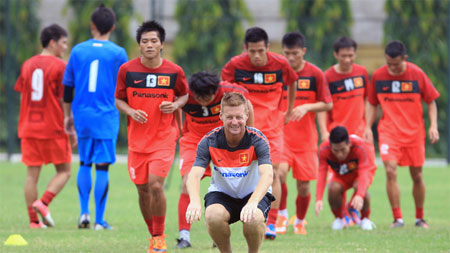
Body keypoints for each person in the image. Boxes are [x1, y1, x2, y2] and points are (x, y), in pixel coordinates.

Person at [115, 20, 188, 252]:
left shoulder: (174, 71)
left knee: (156, 186)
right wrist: (130, 111)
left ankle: (159, 237)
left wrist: (175, 103)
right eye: (144, 41)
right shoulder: (127, 70)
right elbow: (118, 99)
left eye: (153, 41)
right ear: (139, 45)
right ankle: (153, 233)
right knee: (142, 189)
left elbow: (185, 96)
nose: (149, 44)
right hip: (137, 141)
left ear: (162, 44)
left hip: (164, 137)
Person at [221, 27, 298, 240]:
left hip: (272, 129)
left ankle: (271, 223)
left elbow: (292, 82)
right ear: (245, 48)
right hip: (243, 129)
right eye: (252, 51)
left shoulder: (281, 64)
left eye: (260, 50)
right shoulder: (235, 66)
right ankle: (234, 215)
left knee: (276, 173)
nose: (256, 55)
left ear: (268, 48)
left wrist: (289, 109)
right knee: (244, 174)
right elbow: (225, 91)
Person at [62, 4, 128, 230]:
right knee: (101, 167)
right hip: (106, 116)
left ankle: (83, 213)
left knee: (83, 162)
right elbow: (124, 87)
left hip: (82, 114)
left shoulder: (78, 50)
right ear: (113, 26)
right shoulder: (118, 53)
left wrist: (67, 116)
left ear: (92, 26)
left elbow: (68, 87)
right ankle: (100, 220)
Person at [186, 92, 274, 253]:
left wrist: (253, 202)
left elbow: (267, 174)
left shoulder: (258, 139)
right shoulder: (209, 141)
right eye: (229, 117)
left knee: (253, 218)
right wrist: (194, 201)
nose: (235, 122)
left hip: (253, 194)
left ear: (247, 115)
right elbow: (194, 174)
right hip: (223, 194)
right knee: (213, 216)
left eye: (239, 117)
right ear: (221, 115)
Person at [365, 40, 440, 228]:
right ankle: (397, 219)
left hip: (414, 133)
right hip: (389, 131)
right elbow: (372, 102)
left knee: (417, 175)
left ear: (404, 59)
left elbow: (431, 101)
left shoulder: (417, 74)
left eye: (396, 64)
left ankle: (419, 218)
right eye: (388, 63)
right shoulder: (379, 76)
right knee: (390, 170)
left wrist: (433, 126)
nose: (392, 68)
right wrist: (367, 126)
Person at [175, 71, 254, 248]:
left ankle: (217, 234)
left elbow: (247, 104)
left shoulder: (228, 91)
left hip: (222, 141)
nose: (203, 101)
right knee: (187, 181)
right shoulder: (185, 95)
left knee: (226, 184)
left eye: (207, 97)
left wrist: (250, 135)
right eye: (199, 98)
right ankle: (184, 236)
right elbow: (174, 106)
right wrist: (180, 131)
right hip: (194, 141)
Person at [15, 24, 73, 229]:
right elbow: (63, 99)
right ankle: (44, 202)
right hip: (53, 126)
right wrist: (70, 125)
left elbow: (23, 96)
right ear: (52, 42)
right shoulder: (60, 66)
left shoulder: (27, 65)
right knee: (65, 170)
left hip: (29, 127)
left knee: (31, 175)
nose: (65, 47)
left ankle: (33, 221)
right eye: (64, 43)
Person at [276, 32, 332, 235]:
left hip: (306, 140)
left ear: (303, 52)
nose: (290, 58)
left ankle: (299, 220)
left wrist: (307, 107)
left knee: (304, 186)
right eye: (287, 53)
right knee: (278, 173)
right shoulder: (278, 72)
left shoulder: (315, 73)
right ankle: (281, 214)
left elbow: (328, 104)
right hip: (281, 136)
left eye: (295, 53)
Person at [317, 36, 377, 226]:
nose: (348, 60)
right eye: (344, 56)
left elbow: (369, 100)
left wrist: (368, 126)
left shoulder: (361, 73)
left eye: (351, 55)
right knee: (337, 180)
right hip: (337, 137)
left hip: (359, 134)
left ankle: (358, 212)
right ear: (336, 55)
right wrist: (324, 132)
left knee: (364, 178)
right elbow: (323, 105)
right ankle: (344, 216)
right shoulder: (327, 77)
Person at [315, 126, 375, 230]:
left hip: (359, 174)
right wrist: (319, 198)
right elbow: (322, 173)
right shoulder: (324, 150)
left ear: (349, 144)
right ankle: (340, 218)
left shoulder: (360, 147)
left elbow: (364, 172)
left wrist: (360, 194)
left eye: (343, 149)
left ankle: (365, 219)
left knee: (360, 187)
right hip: (341, 176)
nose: (340, 154)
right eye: (335, 150)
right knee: (333, 188)